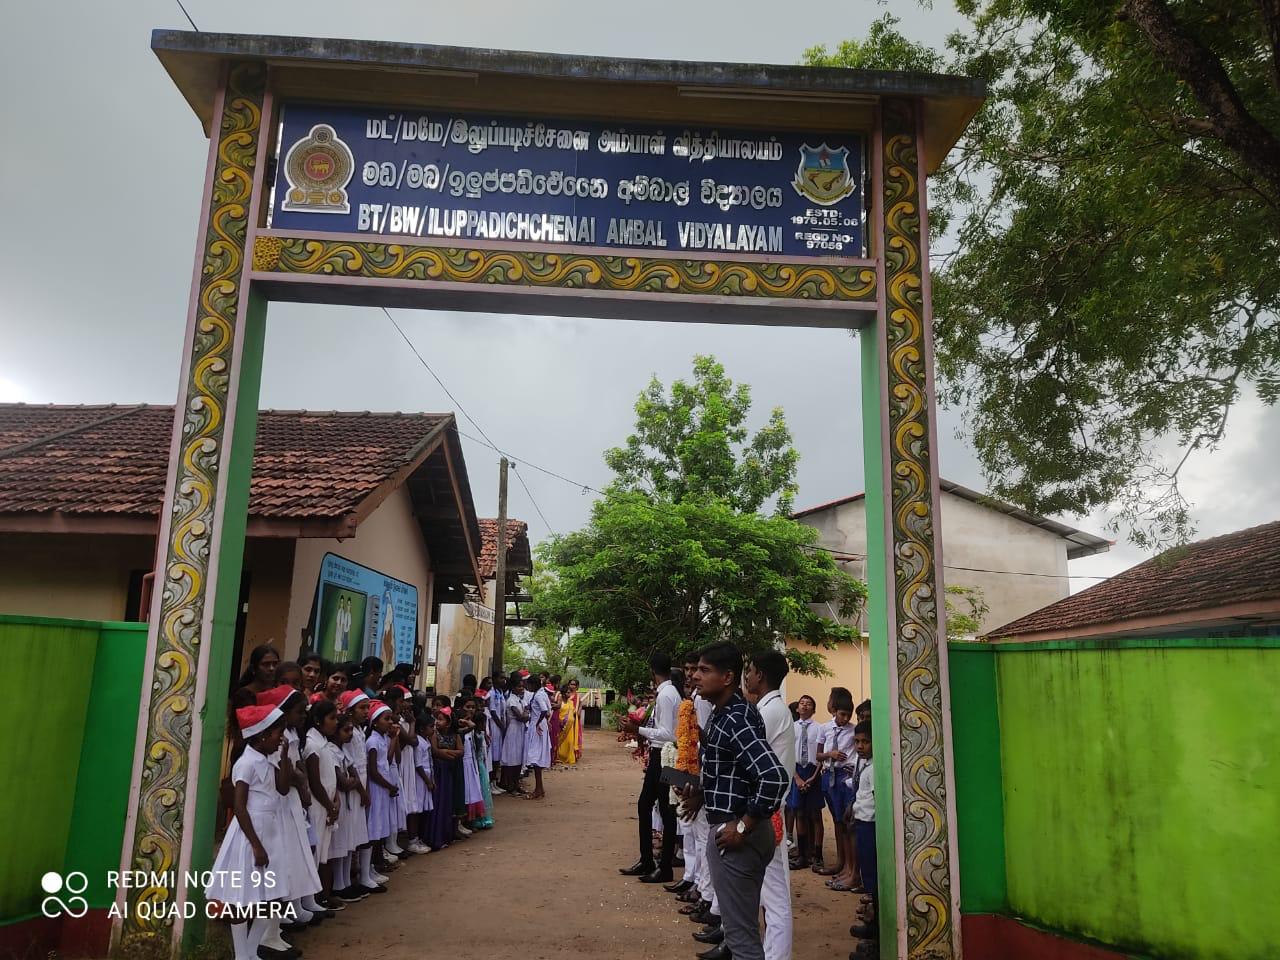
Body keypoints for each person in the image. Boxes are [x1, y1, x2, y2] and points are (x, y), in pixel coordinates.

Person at [679, 642, 788, 960]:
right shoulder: (723, 713)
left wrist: (742, 826)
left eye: (704, 670)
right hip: (731, 825)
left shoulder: (735, 718)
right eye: (696, 669)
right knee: (742, 932)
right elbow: (736, 771)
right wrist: (702, 793)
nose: (695, 676)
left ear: (727, 677)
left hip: (738, 835)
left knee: (742, 942)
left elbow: (773, 776)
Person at [206, 703, 319, 960]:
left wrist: (284, 759)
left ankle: (251, 949)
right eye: (278, 734)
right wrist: (256, 845)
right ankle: (241, 954)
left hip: (271, 831)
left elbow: (281, 789)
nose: (281, 738)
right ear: (262, 736)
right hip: (251, 833)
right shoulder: (246, 763)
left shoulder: (268, 759)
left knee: (272, 895)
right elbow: (240, 807)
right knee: (243, 896)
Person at [744, 650, 796, 960]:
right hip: (767, 808)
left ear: (760, 674)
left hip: (767, 811)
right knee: (767, 894)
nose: (746, 676)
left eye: (749, 671)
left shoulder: (770, 712)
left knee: (775, 898)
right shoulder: (769, 708)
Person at [619, 651, 681, 883]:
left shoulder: (666, 695)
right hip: (659, 754)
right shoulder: (667, 693)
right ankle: (648, 859)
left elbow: (667, 734)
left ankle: (663, 865)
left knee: (664, 810)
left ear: (652, 671)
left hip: (664, 755)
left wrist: (639, 731)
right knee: (647, 805)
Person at [818, 689, 859, 892]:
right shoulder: (825, 728)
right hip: (828, 776)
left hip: (845, 778)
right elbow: (817, 755)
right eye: (842, 714)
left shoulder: (854, 731)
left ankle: (851, 869)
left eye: (848, 715)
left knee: (847, 821)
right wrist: (830, 754)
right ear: (834, 711)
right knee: (837, 821)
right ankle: (842, 863)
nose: (845, 718)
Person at [846, 721, 877, 959]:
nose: (860, 746)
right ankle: (871, 926)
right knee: (867, 876)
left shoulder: (875, 769)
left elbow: (875, 800)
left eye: (865, 742)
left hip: (871, 825)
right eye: (857, 742)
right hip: (862, 822)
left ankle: (877, 936)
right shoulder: (863, 765)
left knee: (874, 880)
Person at [788, 695, 825, 870]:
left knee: (815, 815)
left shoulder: (819, 729)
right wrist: (796, 778)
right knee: (799, 813)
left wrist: (813, 777)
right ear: (797, 708)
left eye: (809, 704)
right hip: (796, 772)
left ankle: (817, 855)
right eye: (801, 703)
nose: (804, 706)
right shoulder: (791, 728)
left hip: (812, 772)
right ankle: (802, 854)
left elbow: (820, 756)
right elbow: (788, 754)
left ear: (813, 709)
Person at [524, 672, 553, 799]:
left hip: (537, 728)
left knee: (535, 758)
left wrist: (537, 723)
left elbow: (545, 710)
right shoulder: (541, 693)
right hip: (540, 726)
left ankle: (538, 789)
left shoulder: (538, 696)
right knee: (537, 759)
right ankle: (539, 788)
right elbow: (549, 711)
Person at [501, 674, 529, 793]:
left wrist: (526, 714)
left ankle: (516, 783)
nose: (521, 689)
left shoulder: (520, 699)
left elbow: (527, 711)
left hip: (520, 730)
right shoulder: (511, 700)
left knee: (519, 757)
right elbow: (521, 716)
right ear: (513, 687)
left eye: (522, 687)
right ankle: (510, 785)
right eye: (519, 686)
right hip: (513, 730)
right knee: (512, 757)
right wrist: (526, 714)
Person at [555, 682, 579, 767]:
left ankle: (569, 758)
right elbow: (557, 712)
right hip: (561, 726)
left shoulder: (571, 702)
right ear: (563, 693)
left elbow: (574, 712)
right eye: (568, 692)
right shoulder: (560, 701)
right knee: (560, 742)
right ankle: (560, 757)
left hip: (570, 727)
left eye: (570, 692)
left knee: (569, 742)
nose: (569, 694)